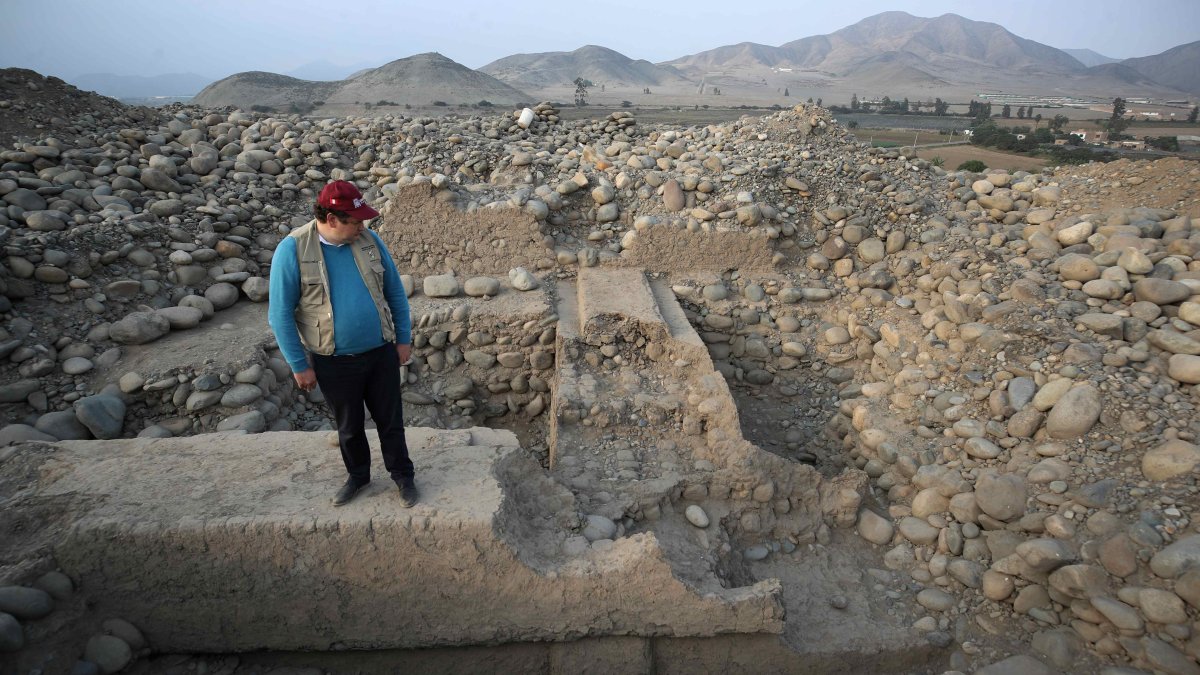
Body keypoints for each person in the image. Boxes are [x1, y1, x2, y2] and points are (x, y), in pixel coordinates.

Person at [267, 180, 417, 507]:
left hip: (380, 353)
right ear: (332, 219)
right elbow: (279, 313)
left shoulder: (369, 240)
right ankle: (359, 476)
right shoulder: (292, 250)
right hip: (333, 360)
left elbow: (394, 292)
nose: (362, 227)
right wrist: (299, 365)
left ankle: (403, 476)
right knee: (349, 427)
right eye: (355, 221)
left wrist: (403, 338)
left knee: (390, 421)